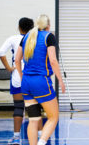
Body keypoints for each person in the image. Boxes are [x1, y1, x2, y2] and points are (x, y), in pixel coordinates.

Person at [14, 14, 65, 145]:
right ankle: (41, 143)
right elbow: (53, 60)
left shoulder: (27, 36)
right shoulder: (49, 36)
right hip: (41, 82)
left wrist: (21, 76)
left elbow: (17, 59)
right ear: (48, 26)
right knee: (53, 117)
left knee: (34, 119)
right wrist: (61, 80)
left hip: (26, 82)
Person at [0, 17, 43, 144]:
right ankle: (41, 137)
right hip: (33, 75)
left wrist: (8, 68)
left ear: (19, 27)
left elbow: (1, 52)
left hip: (18, 75)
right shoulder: (38, 39)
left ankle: (16, 137)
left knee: (18, 108)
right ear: (32, 27)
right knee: (35, 108)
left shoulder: (13, 39)